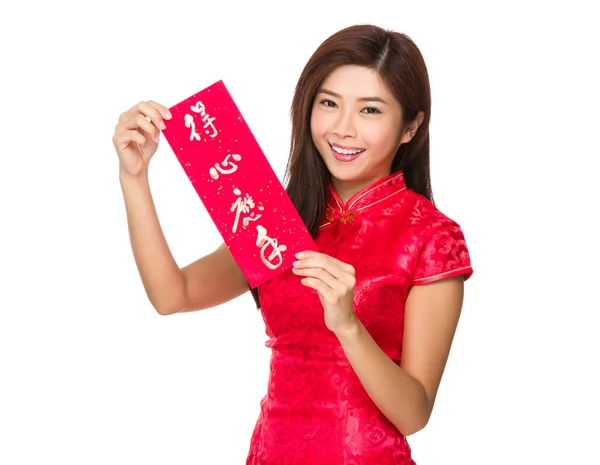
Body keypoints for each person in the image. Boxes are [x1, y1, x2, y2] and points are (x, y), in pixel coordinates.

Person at [112, 23, 473, 465]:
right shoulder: (277, 216)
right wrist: (135, 179)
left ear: (410, 126)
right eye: (329, 104)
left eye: (371, 111)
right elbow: (174, 295)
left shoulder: (431, 236)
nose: (344, 129)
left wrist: (347, 325)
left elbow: (414, 413)